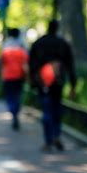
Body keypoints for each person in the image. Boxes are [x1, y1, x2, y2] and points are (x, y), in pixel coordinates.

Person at [29, 19, 77, 152]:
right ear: (57, 28)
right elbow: (70, 65)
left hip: (43, 84)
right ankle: (57, 134)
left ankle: (48, 140)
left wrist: (33, 82)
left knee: (46, 110)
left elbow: (32, 65)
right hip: (58, 82)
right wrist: (73, 85)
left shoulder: (38, 44)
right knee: (57, 110)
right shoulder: (63, 44)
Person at [0, 27, 29, 130]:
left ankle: (13, 111)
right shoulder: (22, 48)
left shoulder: (5, 48)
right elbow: (25, 64)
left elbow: (2, 62)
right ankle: (16, 111)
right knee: (17, 95)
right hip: (19, 76)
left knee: (10, 96)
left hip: (8, 76)